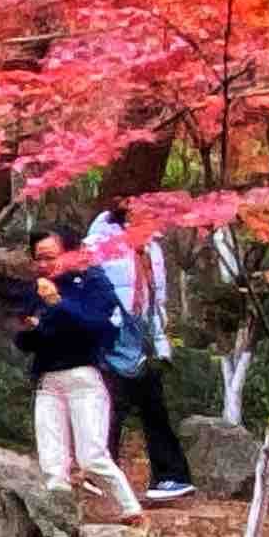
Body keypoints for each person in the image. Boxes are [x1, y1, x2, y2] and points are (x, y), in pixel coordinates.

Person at [8, 229, 147, 526]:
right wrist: (33, 328)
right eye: (38, 259)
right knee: (51, 462)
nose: (44, 265)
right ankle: (59, 522)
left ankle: (130, 511)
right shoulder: (36, 289)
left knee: (92, 456)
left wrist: (58, 304)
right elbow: (24, 340)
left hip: (84, 377)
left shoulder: (92, 282)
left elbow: (96, 327)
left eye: (51, 257)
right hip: (47, 380)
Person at [85, 208, 194, 501]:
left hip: (142, 335)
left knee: (152, 407)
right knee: (110, 405)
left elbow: (157, 299)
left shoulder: (152, 249)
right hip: (111, 335)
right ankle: (99, 472)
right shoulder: (98, 243)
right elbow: (91, 290)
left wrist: (160, 343)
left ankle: (171, 476)